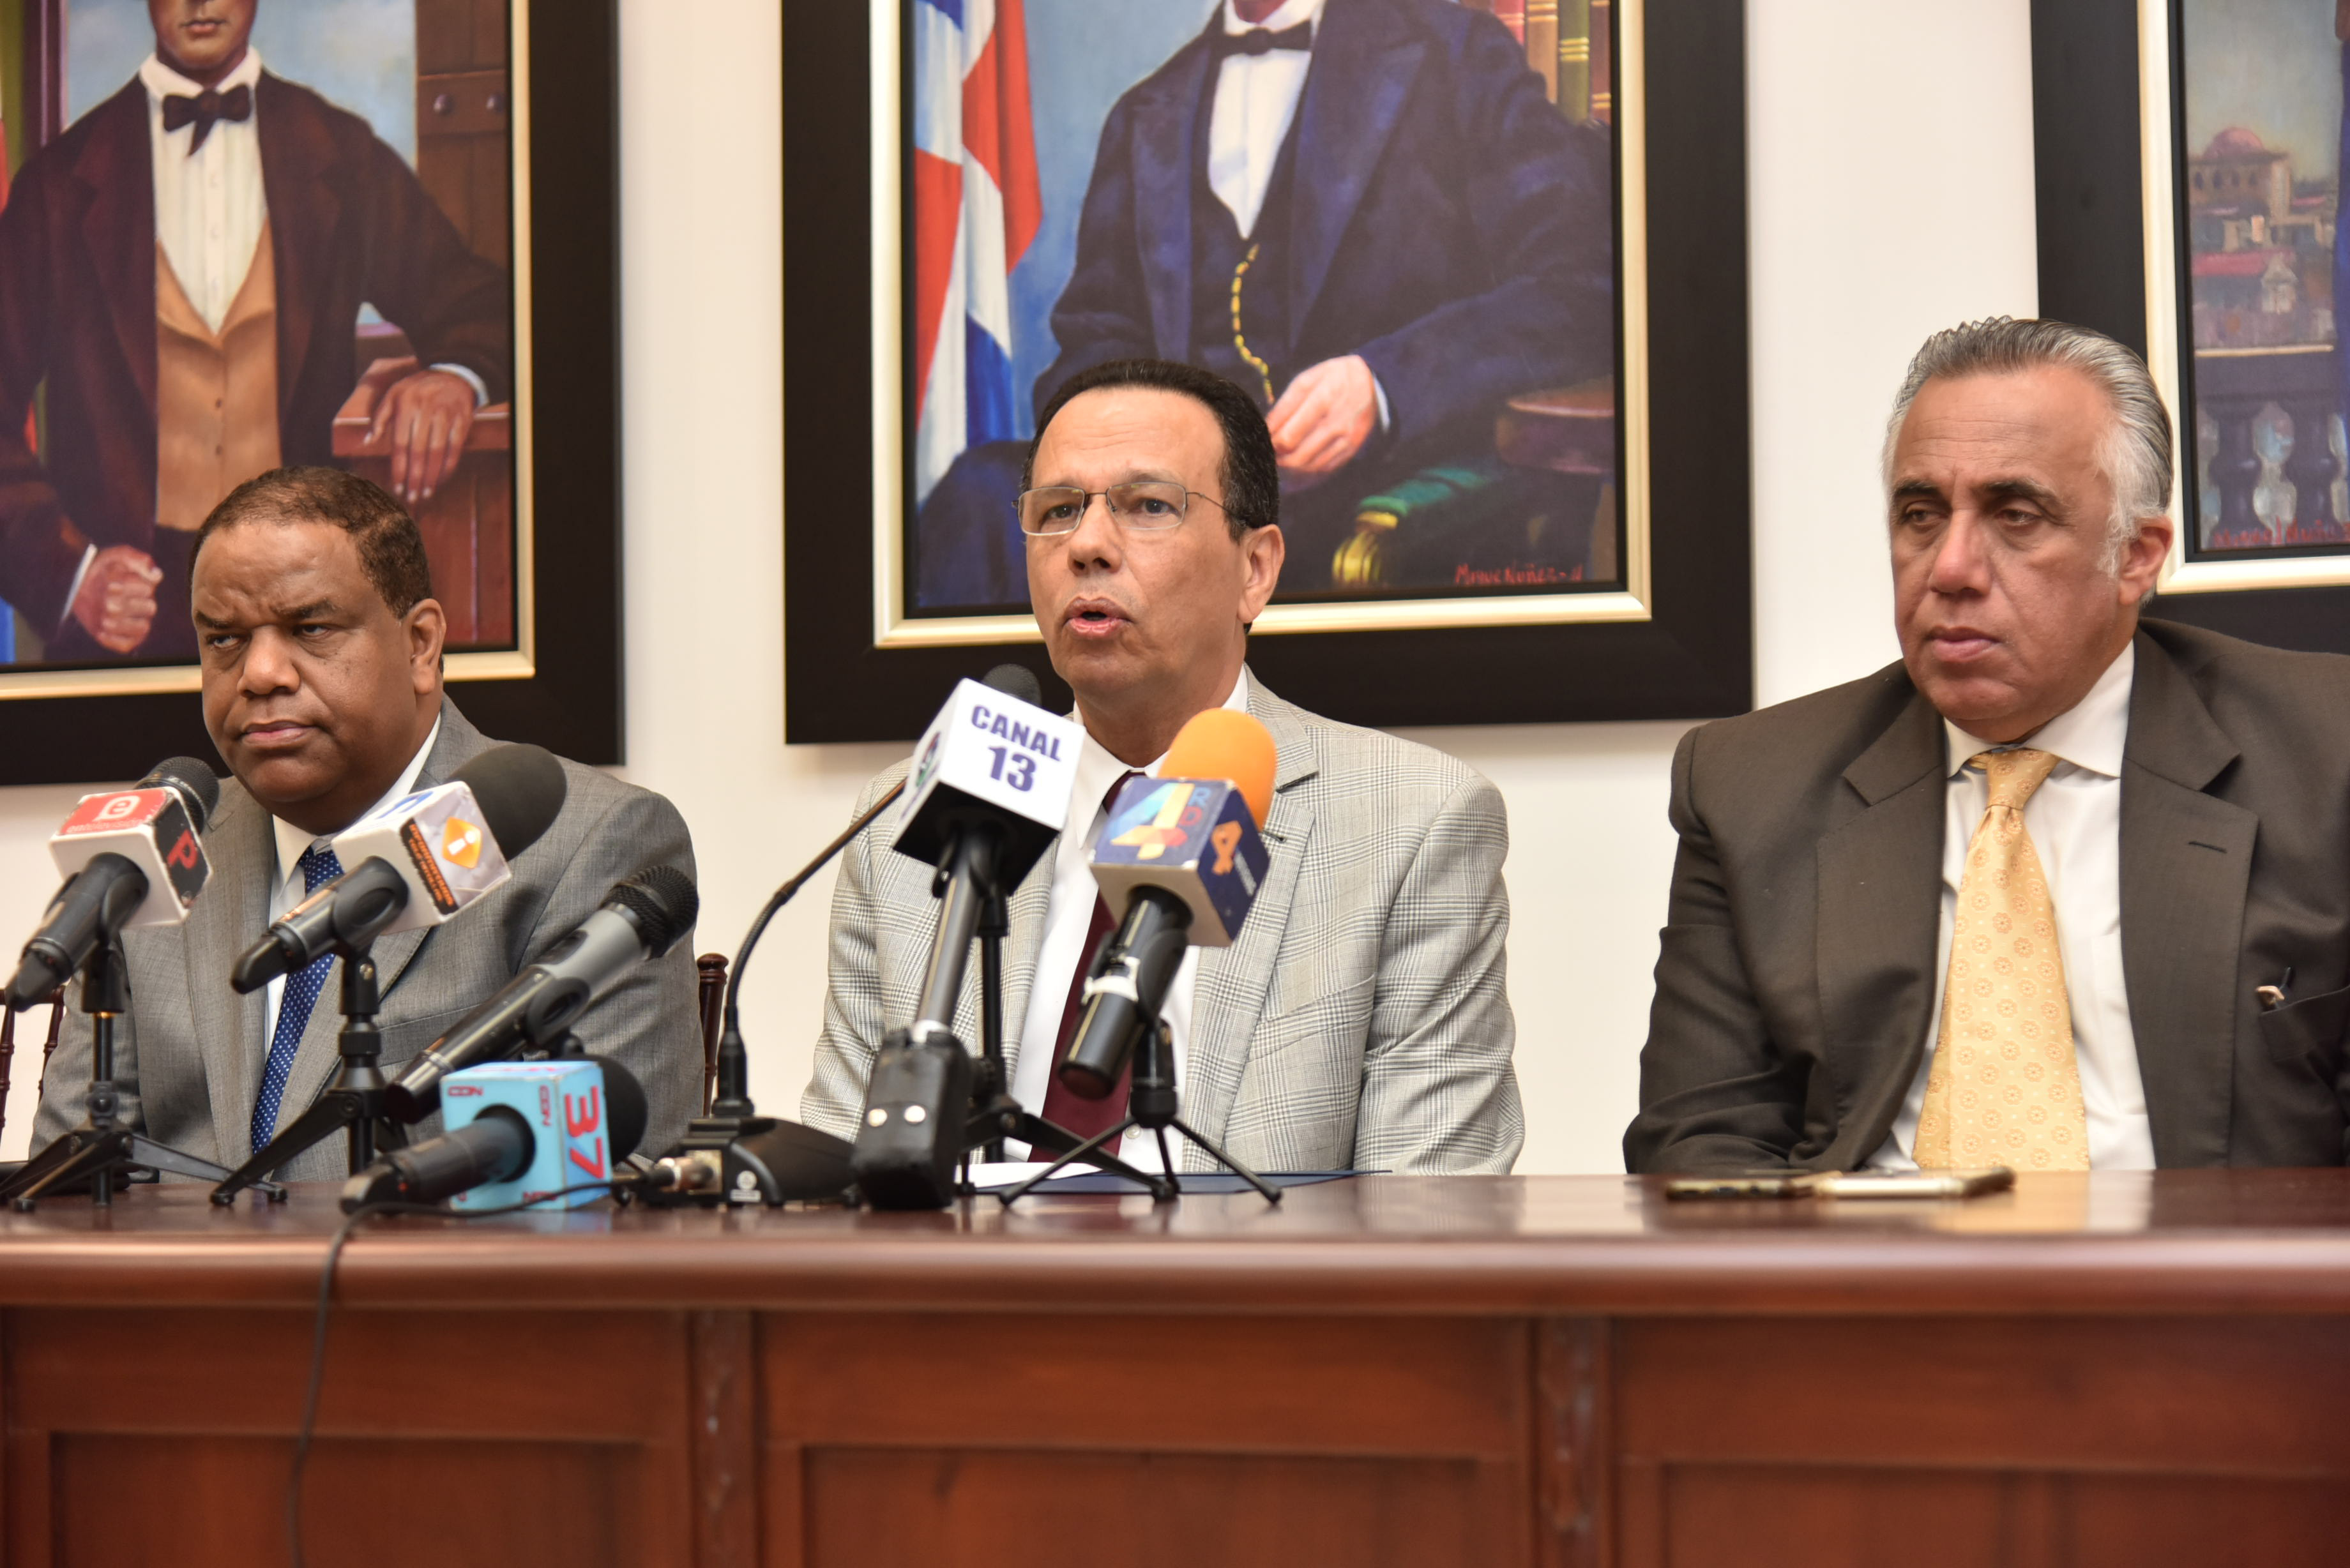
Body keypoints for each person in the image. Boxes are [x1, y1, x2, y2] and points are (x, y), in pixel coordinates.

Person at [1626, 317, 2350, 1175]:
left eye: (2015, 516)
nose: (1950, 568)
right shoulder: (1750, 786)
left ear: (2135, 555)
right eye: (1920, 515)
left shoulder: (2325, 752)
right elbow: (1700, 1145)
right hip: (1866, 1256)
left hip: (2212, 1256)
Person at [806, 358, 1522, 1172]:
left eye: (1148, 505)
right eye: (1058, 510)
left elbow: (1426, 1210)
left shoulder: (1410, 824)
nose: (1086, 546)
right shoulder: (906, 825)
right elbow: (835, 1186)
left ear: (1254, 569)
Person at [30, 467, 700, 1182]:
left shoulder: (585, 844)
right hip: (177, 1261)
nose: (260, 673)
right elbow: (64, 1188)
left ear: (420, 645)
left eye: (310, 628)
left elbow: (614, 1189)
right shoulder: (161, 853)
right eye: (224, 639)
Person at [914, 0, 1613, 605]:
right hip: (1168, 501)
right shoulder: (1146, 113)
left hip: (1366, 494)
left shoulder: (1455, 56)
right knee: (978, 497)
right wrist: (1149, 450)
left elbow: (1577, 289)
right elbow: (1092, 347)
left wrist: (1382, 385)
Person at [0, 0, 509, 663]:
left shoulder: (343, 154)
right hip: (124, 621)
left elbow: (480, 301)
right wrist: (70, 572)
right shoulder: (57, 185)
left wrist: (457, 375)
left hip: (307, 604)